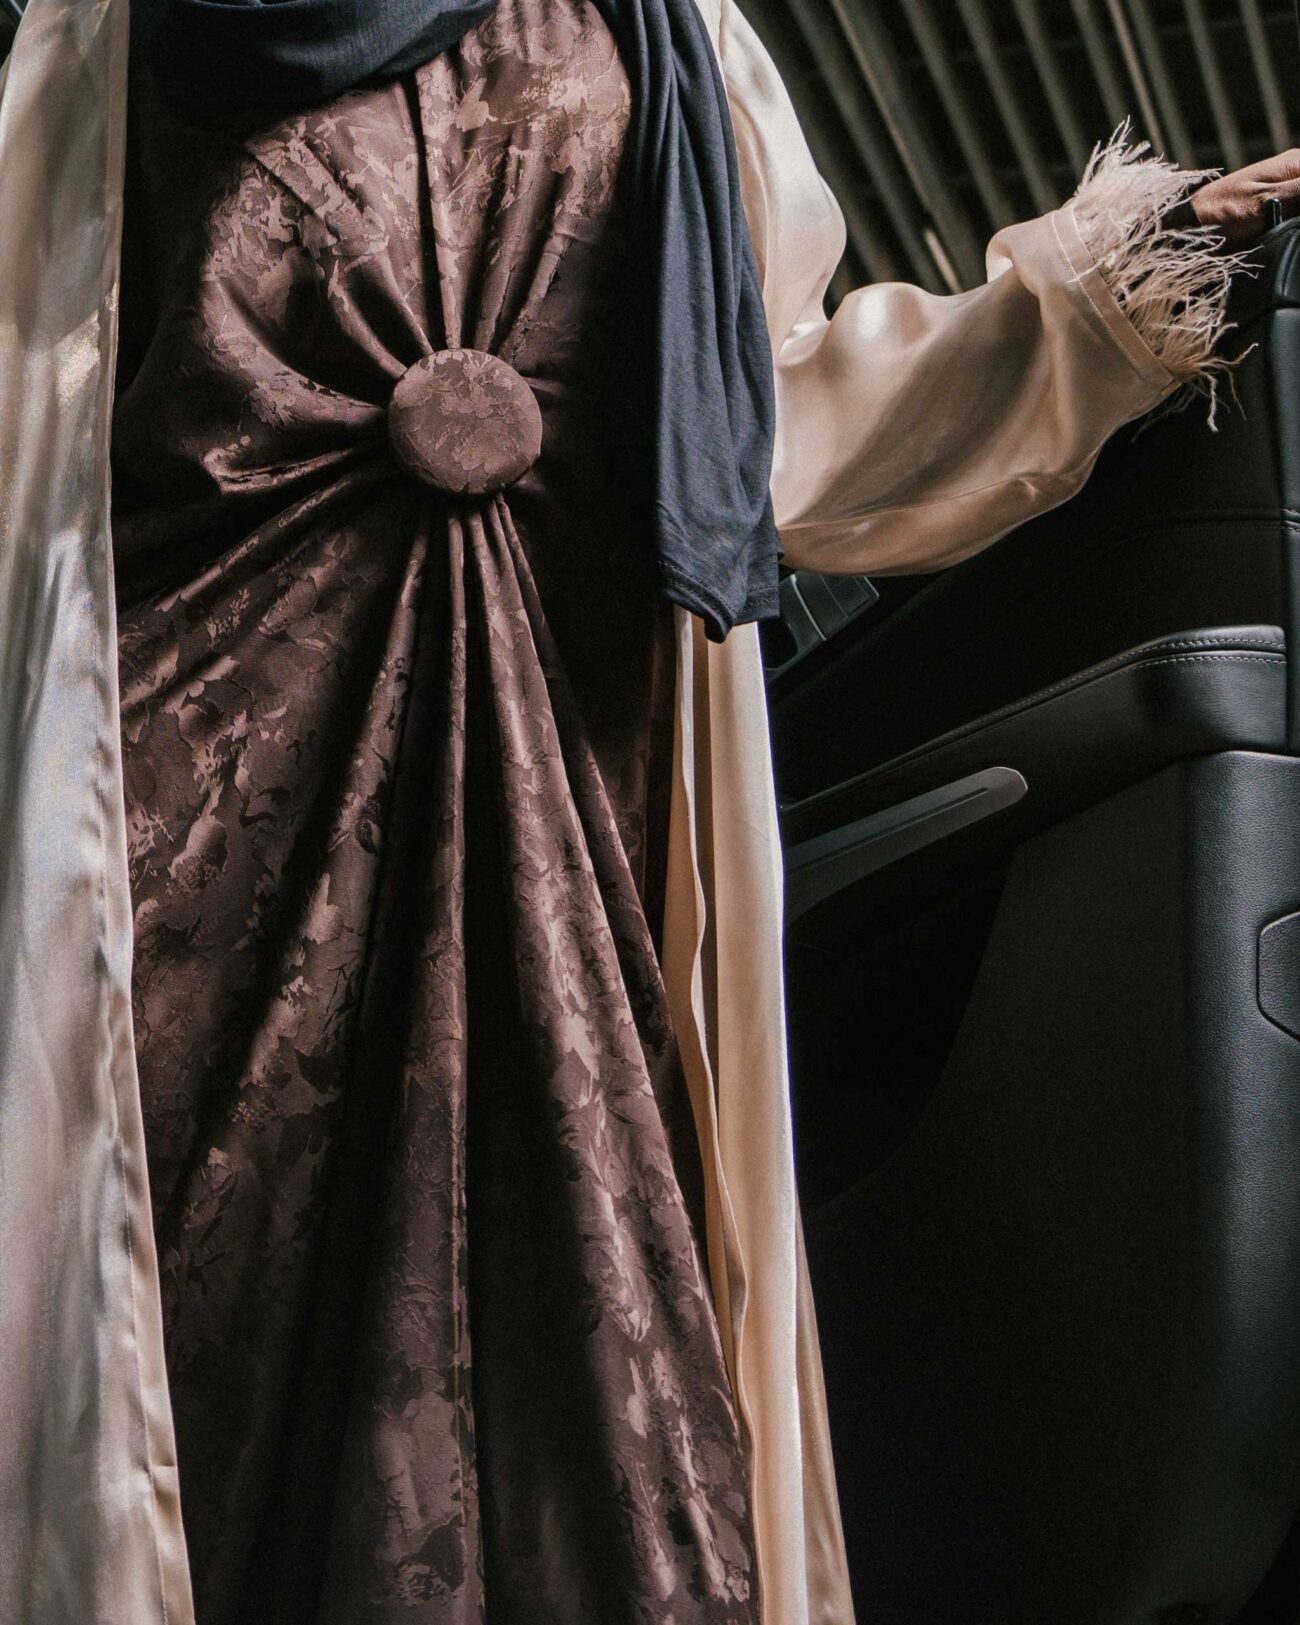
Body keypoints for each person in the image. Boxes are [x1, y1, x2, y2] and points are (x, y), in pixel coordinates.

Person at [0, 1, 1294, 1622]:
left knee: (585, 1426)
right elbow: (30, 449)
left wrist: (1128, 280)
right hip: (196, 852)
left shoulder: (661, 34)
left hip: (557, 814)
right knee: (194, 1404)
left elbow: (772, 424)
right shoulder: (111, 38)